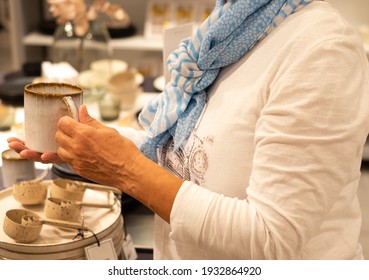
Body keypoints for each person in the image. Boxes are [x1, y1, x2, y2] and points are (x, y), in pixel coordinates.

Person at [8, 0, 369, 259]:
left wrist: (125, 169)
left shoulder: (322, 50)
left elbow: (271, 239)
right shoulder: (232, 26)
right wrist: (94, 144)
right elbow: (193, 150)